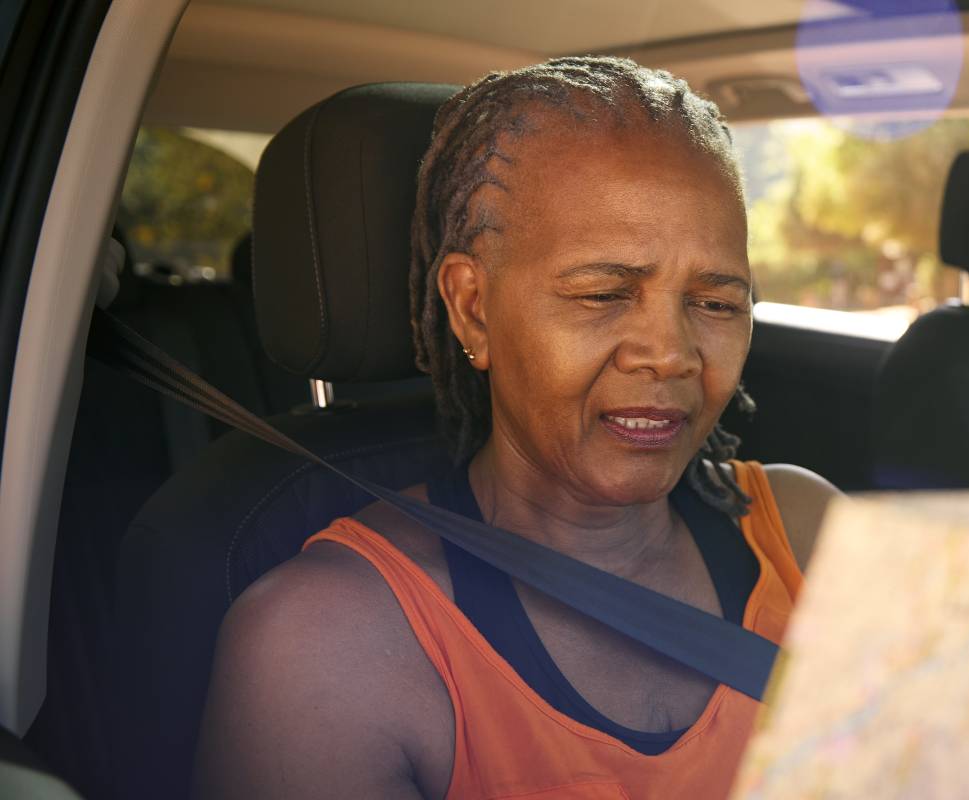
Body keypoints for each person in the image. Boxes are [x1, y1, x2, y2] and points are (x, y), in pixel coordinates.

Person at [195, 57, 838, 799]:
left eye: (718, 304)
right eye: (602, 294)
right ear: (473, 307)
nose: (671, 354)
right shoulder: (323, 646)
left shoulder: (809, 536)